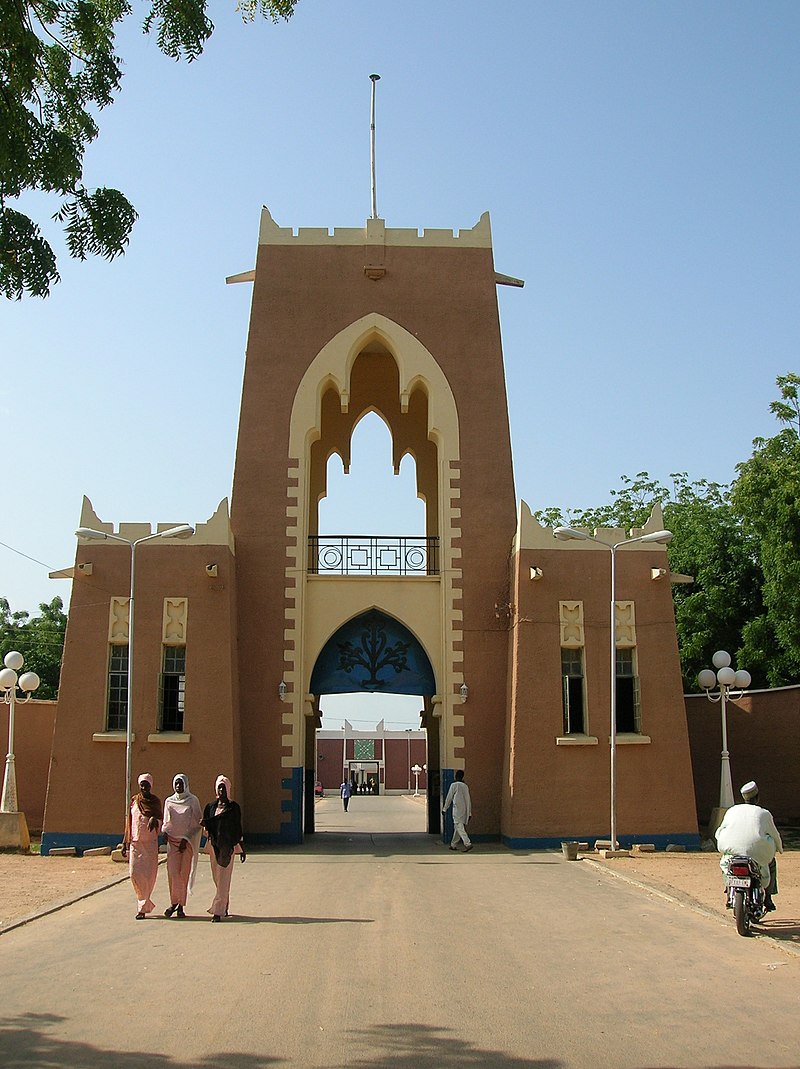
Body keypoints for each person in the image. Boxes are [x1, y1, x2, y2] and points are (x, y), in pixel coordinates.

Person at [715, 780, 784, 911]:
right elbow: (774, 835)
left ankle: (729, 888)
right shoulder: (763, 813)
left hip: (732, 852)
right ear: (757, 797)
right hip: (755, 854)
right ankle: (768, 898)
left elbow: (720, 830)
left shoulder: (732, 811)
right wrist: (779, 849)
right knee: (771, 863)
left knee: (726, 865)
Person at [202, 774, 246, 922]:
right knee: (217, 878)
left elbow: (237, 828)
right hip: (215, 846)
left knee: (224, 879)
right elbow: (207, 825)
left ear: (228, 789)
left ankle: (217, 911)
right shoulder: (210, 807)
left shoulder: (233, 808)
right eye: (219, 787)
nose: (221, 790)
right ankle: (224, 903)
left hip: (228, 847)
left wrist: (242, 847)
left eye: (224, 787)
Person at [161, 773, 202, 918]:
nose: (179, 786)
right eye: (176, 783)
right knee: (173, 873)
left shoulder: (192, 800)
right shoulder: (169, 801)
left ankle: (180, 906)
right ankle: (173, 902)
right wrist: (165, 832)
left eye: (181, 783)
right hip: (172, 842)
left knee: (183, 874)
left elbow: (198, 822)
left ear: (186, 785)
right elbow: (166, 821)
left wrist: (186, 838)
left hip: (187, 843)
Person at [122, 773, 162, 920]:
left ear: (151, 786)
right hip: (135, 843)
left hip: (150, 844)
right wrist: (125, 842)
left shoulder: (155, 802)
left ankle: (142, 906)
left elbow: (160, 820)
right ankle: (142, 900)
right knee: (134, 873)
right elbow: (129, 821)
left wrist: (154, 820)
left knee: (149, 875)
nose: (144, 787)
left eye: (147, 785)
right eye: (142, 785)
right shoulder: (134, 800)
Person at [442, 769, 473, 852]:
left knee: (459, 827)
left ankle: (467, 843)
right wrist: (469, 812)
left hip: (457, 810)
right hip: (465, 810)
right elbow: (468, 800)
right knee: (457, 827)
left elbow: (449, 798)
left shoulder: (454, 785)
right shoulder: (465, 786)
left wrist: (445, 808)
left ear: (456, 776)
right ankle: (453, 844)